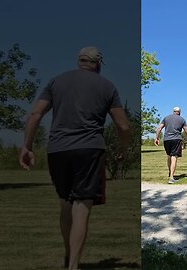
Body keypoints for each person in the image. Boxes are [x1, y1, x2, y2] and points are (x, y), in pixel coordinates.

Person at [19, 46, 130, 270]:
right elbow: (123, 125)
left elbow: (35, 114)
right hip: (89, 150)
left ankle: (69, 257)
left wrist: (27, 146)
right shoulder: (107, 86)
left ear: (79, 61)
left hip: (57, 150)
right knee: (81, 207)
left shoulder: (56, 82)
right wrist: (124, 148)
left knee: (65, 204)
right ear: (98, 63)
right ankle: (73, 266)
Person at [154, 107, 187, 184]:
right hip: (176, 139)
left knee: (169, 156)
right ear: (179, 112)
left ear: (173, 112)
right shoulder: (182, 119)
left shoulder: (166, 118)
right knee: (174, 157)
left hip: (166, 139)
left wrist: (156, 138)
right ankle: (171, 178)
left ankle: (170, 173)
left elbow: (159, 128)